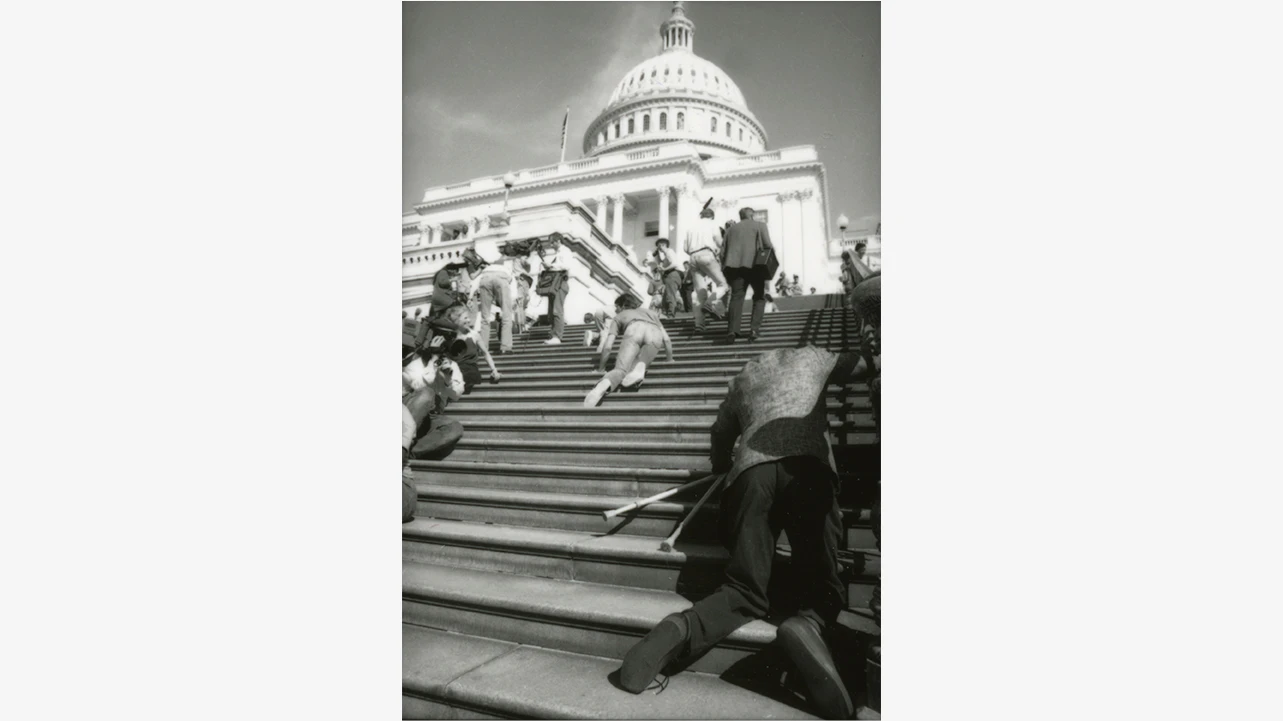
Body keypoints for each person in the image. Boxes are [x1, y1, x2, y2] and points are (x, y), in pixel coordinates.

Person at [617, 344, 876, 719]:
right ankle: (809, 622)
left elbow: (721, 432)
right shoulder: (815, 357)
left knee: (743, 590)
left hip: (750, 476)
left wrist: (722, 464)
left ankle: (682, 627)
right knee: (822, 584)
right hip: (808, 467)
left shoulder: (742, 378)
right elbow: (865, 365)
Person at [584, 294, 675, 407]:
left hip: (634, 329)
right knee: (643, 359)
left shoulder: (619, 316)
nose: (615, 310)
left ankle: (603, 384)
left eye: (616, 307)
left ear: (622, 306)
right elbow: (666, 339)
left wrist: (601, 369)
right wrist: (669, 359)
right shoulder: (651, 313)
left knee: (620, 370)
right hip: (654, 333)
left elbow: (608, 346)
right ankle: (640, 365)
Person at [720, 206, 773, 343]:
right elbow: (768, 245)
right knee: (759, 297)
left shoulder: (730, 230)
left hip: (735, 268)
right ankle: (754, 329)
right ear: (752, 215)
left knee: (736, 297)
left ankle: (732, 331)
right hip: (756, 266)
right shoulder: (760, 225)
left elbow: (722, 253)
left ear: (741, 216)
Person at [402, 352, 465, 460]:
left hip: (431, 416)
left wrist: (447, 380)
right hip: (410, 411)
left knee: (455, 427)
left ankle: (407, 452)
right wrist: (433, 364)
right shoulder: (414, 361)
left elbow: (456, 395)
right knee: (427, 393)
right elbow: (418, 385)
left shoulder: (451, 364)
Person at [684, 207, 731, 331]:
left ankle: (699, 324)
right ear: (712, 216)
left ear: (701, 215)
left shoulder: (691, 227)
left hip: (692, 257)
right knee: (723, 285)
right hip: (707, 255)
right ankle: (710, 302)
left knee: (700, 293)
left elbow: (685, 248)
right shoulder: (712, 224)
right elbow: (719, 242)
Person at [530, 233, 575, 344]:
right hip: (556, 284)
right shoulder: (559, 253)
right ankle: (553, 334)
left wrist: (551, 266)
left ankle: (557, 336)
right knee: (552, 311)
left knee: (557, 310)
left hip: (560, 283)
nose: (551, 245)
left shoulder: (565, 252)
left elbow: (566, 266)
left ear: (558, 241)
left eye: (552, 242)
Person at [468, 249, 516, 355]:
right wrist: (513, 300)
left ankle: (483, 348)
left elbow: (476, 280)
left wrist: (470, 297)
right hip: (502, 277)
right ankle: (505, 347)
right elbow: (512, 283)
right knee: (506, 315)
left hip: (485, 277)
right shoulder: (508, 264)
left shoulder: (489, 265)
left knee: (485, 317)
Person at [650, 238, 684, 317]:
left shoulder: (669, 251)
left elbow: (674, 264)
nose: (658, 248)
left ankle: (671, 313)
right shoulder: (666, 256)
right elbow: (661, 264)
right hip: (670, 275)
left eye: (659, 246)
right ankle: (667, 313)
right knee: (665, 297)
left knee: (670, 295)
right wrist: (656, 256)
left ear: (663, 245)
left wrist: (664, 269)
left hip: (673, 274)